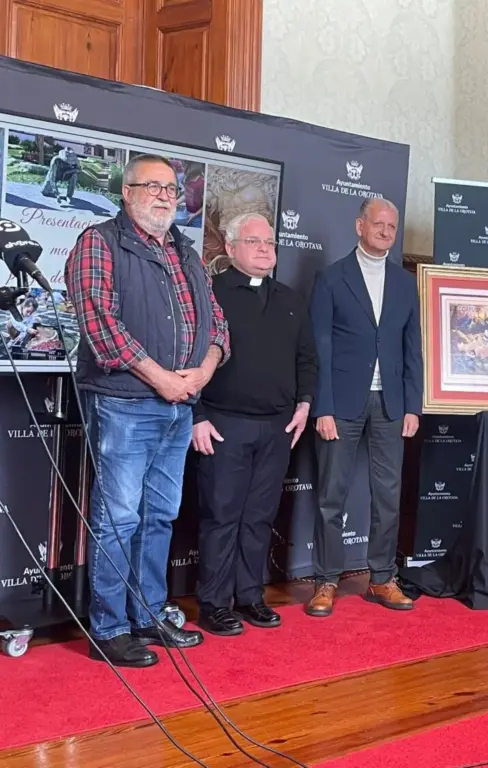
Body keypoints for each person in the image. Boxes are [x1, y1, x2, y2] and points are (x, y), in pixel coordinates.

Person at [65, 153, 230, 667]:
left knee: (158, 517)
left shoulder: (186, 251)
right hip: (125, 404)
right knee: (118, 518)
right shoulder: (100, 241)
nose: (165, 195)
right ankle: (109, 628)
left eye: (171, 189)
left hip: (180, 406)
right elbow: (99, 322)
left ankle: (147, 613)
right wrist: (160, 378)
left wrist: (202, 371)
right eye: (153, 186)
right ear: (126, 192)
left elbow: (218, 323)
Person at [190, 213, 317, 636]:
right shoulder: (208, 296)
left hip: (278, 427)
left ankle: (250, 597)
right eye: (254, 241)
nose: (265, 249)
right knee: (222, 517)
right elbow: (188, 359)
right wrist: (198, 416)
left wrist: (304, 405)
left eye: (270, 242)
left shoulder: (291, 299)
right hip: (224, 424)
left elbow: (306, 358)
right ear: (230, 248)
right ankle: (213, 603)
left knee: (260, 517)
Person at [306, 198, 423, 616]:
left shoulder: (406, 282)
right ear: (360, 225)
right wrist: (324, 407)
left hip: (392, 403)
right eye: (378, 224)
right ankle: (325, 581)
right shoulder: (333, 278)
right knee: (331, 495)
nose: (386, 232)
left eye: (392, 226)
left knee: (388, 495)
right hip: (342, 403)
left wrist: (413, 405)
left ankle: (382, 578)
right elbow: (320, 346)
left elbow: (413, 349)